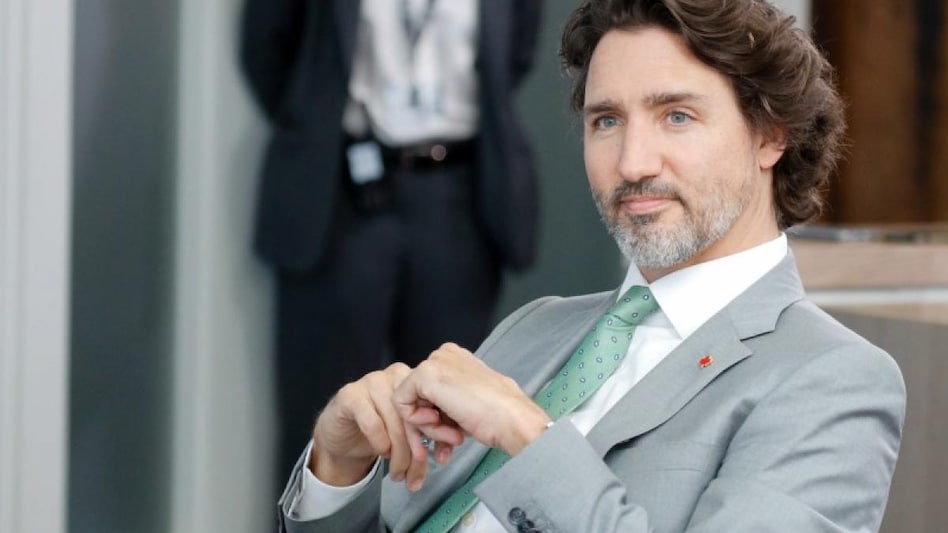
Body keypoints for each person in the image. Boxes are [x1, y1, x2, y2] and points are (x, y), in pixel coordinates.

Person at [275, 0, 906, 531]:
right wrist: (337, 470)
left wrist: (530, 437)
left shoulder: (833, 377)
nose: (632, 163)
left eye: (676, 117)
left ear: (771, 135)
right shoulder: (535, 328)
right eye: (607, 120)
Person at [238, 0, 544, 482]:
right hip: (342, 192)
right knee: (323, 419)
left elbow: (515, 51)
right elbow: (267, 50)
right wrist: (317, 127)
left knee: (452, 425)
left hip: (456, 192)